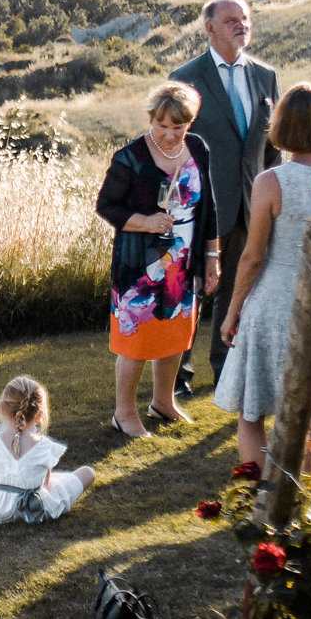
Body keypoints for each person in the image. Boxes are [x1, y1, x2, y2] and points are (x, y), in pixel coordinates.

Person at [215, 82, 311, 482]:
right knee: (304, 410)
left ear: (280, 125)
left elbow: (253, 256)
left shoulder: (271, 181)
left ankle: (259, 493)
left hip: (274, 301)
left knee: (252, 410)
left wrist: (232, 312)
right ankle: (295, 494)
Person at [167, 0, 277, 388]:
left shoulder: (265, 76)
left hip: (249, 205)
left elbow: (271, 147)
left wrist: (271, 198)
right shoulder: (185, 77)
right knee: (190, 293)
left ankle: (226, 372)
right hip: (198, 209)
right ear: (209, 28)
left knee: (235, 294)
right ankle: (176, 377)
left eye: (245, 18)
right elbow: (171, 144)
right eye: (231, 20)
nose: (240, 24)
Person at [96, 82, 216, 438]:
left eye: (178, 127)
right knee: (136, 339)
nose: (170, 134)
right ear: (151, 119)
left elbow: (209, 207)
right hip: (140, 267)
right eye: (162, 126)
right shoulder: (129, 157)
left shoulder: (198, 148)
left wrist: (212, 256)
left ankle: (163, 402)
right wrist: (146, 222)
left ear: (189, 123)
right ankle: (124, 413)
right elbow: (106, 206)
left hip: (184, 263)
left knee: (176, 333)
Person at [0, 374, 98, 523]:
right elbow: (45, 486)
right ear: (39, 415)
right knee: (87, 472)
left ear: (2, 408)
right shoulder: (44, 447)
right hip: (32, 509)